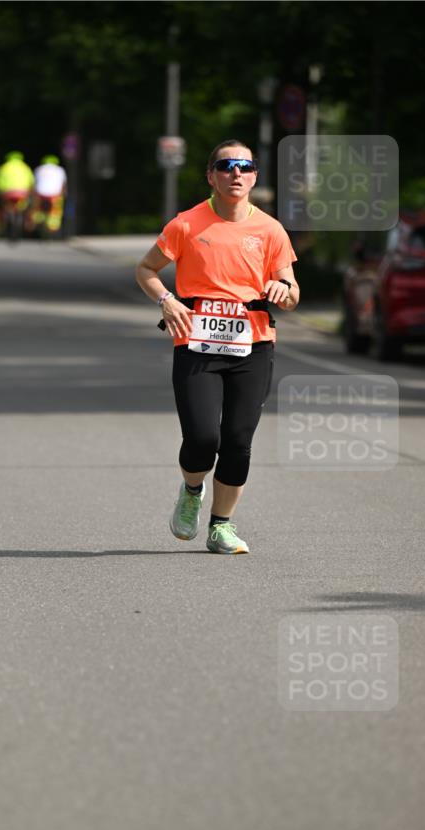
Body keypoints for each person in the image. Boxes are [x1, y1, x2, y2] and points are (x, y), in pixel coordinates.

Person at [136, 139, 299, 555]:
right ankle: (192, 491)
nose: (236, 173)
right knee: (202, 437)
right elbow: (146, 269)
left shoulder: (270, 230)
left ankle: (221, 526)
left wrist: (283, 289)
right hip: (197, 344)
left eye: (245, 166)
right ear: (211, 176)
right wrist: (167, 300)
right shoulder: (186, 224)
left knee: (238, 439)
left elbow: (292, 290)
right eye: (226, 166)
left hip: (253, 346)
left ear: (255, 176)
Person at [0, 151, 34, 239]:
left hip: (7, 193)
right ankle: (23, 220)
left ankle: (6, 219)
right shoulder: (25, 167)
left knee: (6, 208)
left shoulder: (3, 167)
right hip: (22, 193)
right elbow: (31, 182)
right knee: (22, 209)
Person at [27, 155, 67, 236]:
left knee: (37, 210)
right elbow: (63, 185)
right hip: (55, 195)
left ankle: (37, 224)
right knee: (55, 212)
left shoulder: (38, 169)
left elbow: (33, 184)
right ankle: (53, 228)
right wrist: (63, 195)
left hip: (40, 195)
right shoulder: (60, 170)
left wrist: (32, 196)